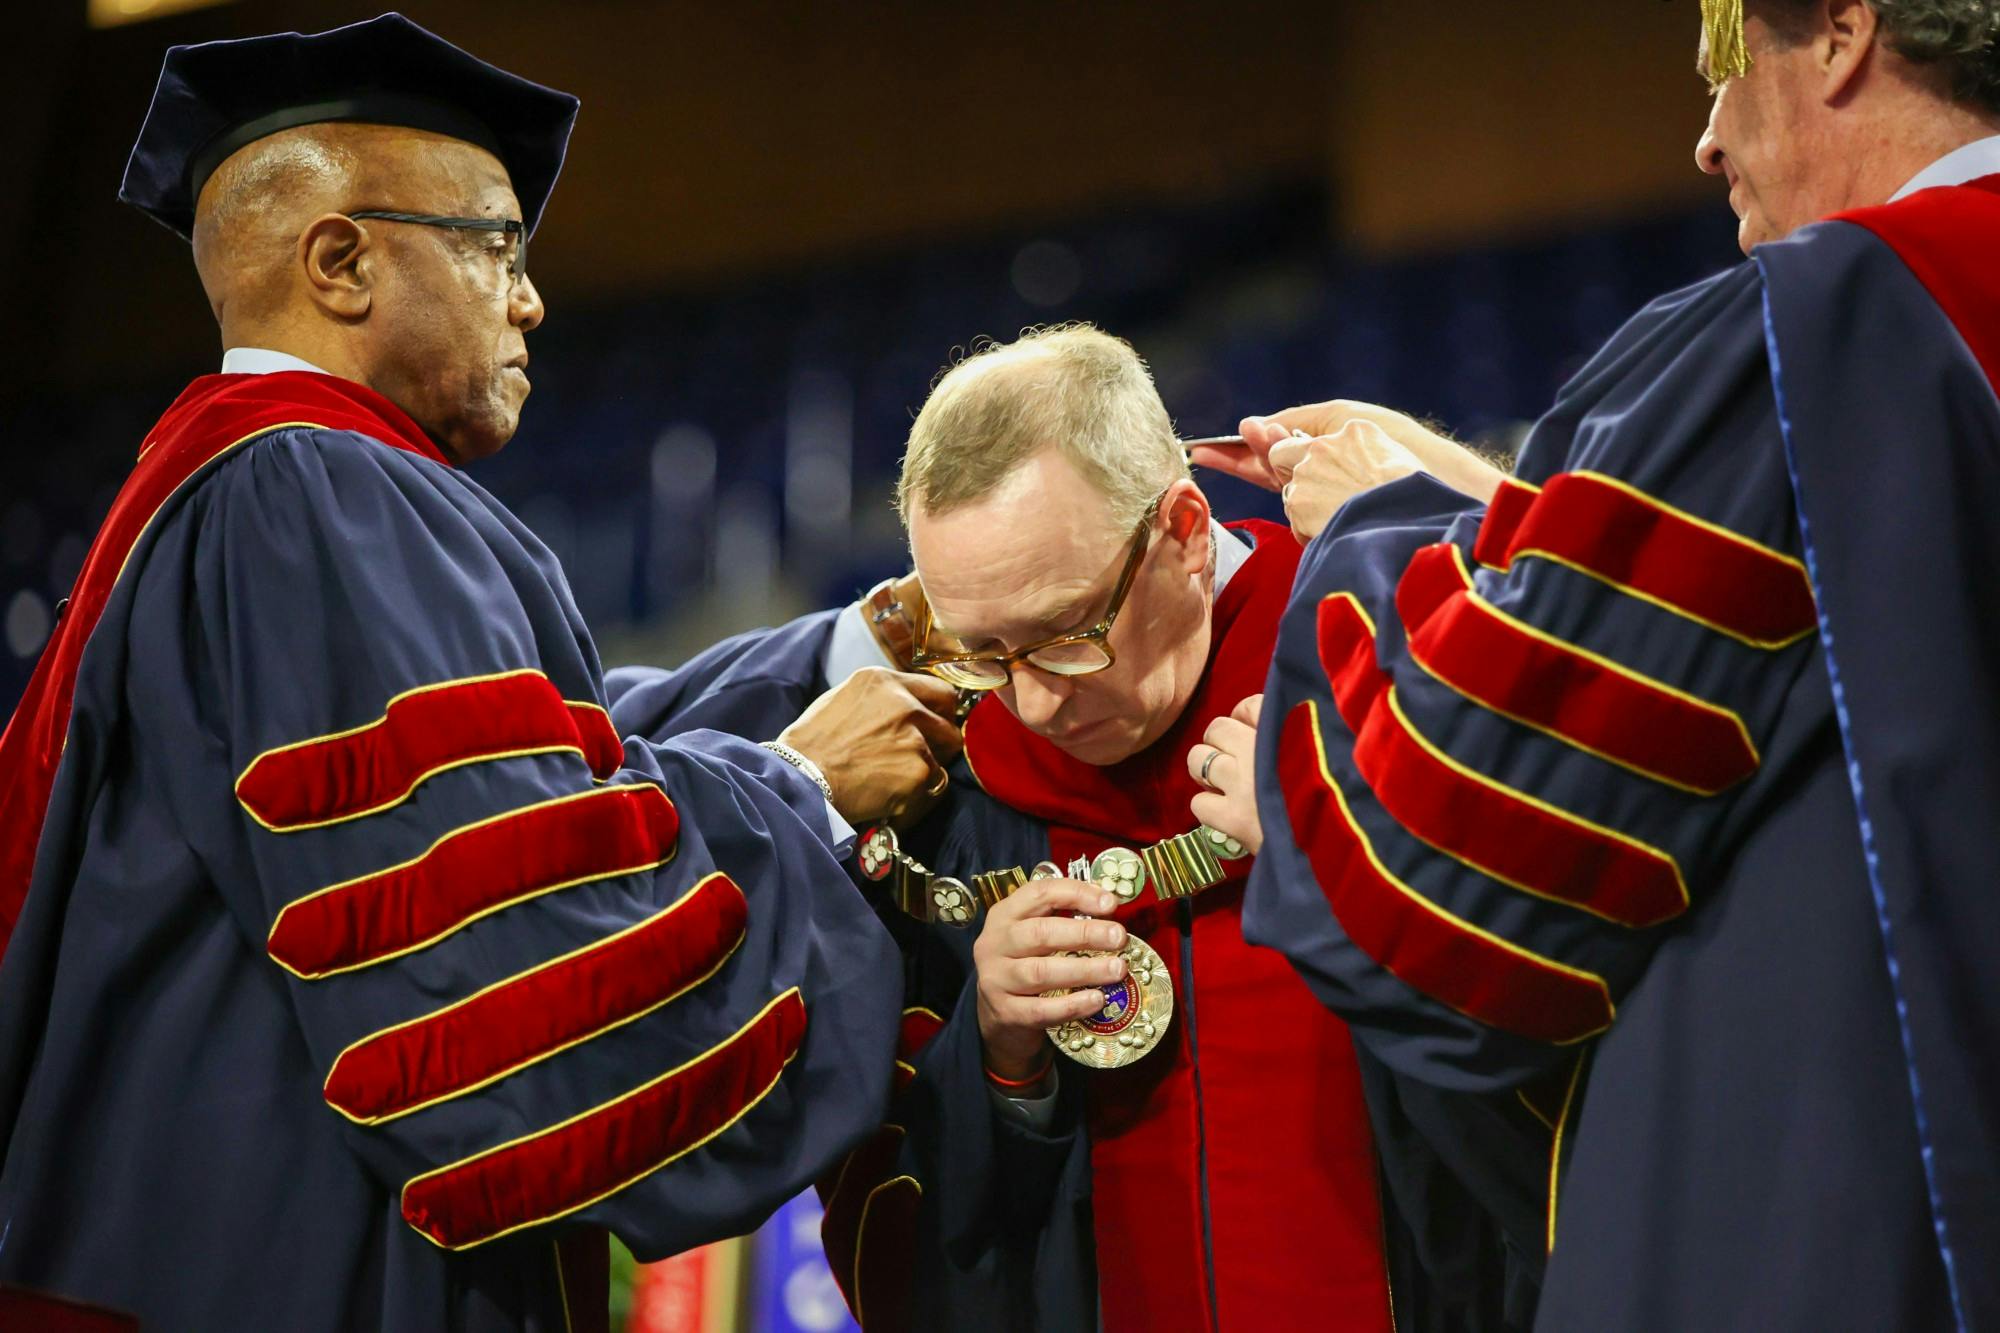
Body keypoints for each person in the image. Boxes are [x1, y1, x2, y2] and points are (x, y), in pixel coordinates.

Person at [0, 15, 961, 1331]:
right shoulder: (317, 489)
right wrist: (797, 794)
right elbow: (508, 946)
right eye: (499, 245)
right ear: (341, 260)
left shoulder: (225, 485)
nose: (532, 298)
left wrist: (837, 655)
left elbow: (528, 775)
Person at [1191, 1, 2000, 1327]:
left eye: (1724, 70)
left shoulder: (1821, 335)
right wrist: (1461, 497)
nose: (1705, 140)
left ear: (1846, 32)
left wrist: (1372, 534)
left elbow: (1470, 868)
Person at [614, 324, 1546, 1332]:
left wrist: (1357, 863)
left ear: (1185, 532)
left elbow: (1585, 1065)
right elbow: (930, 1254)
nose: (1035, 704)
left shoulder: (1381, 682)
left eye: (1066, 634)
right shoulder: (951, 808)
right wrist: (999, 1061)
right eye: (984, 650)